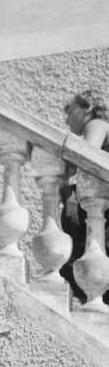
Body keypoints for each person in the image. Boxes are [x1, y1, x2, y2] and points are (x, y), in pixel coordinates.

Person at [60, 89, 109, 302]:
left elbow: (86, 156)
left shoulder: (96, 124)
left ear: (88, 108)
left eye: (70, 110)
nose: (66, 117)